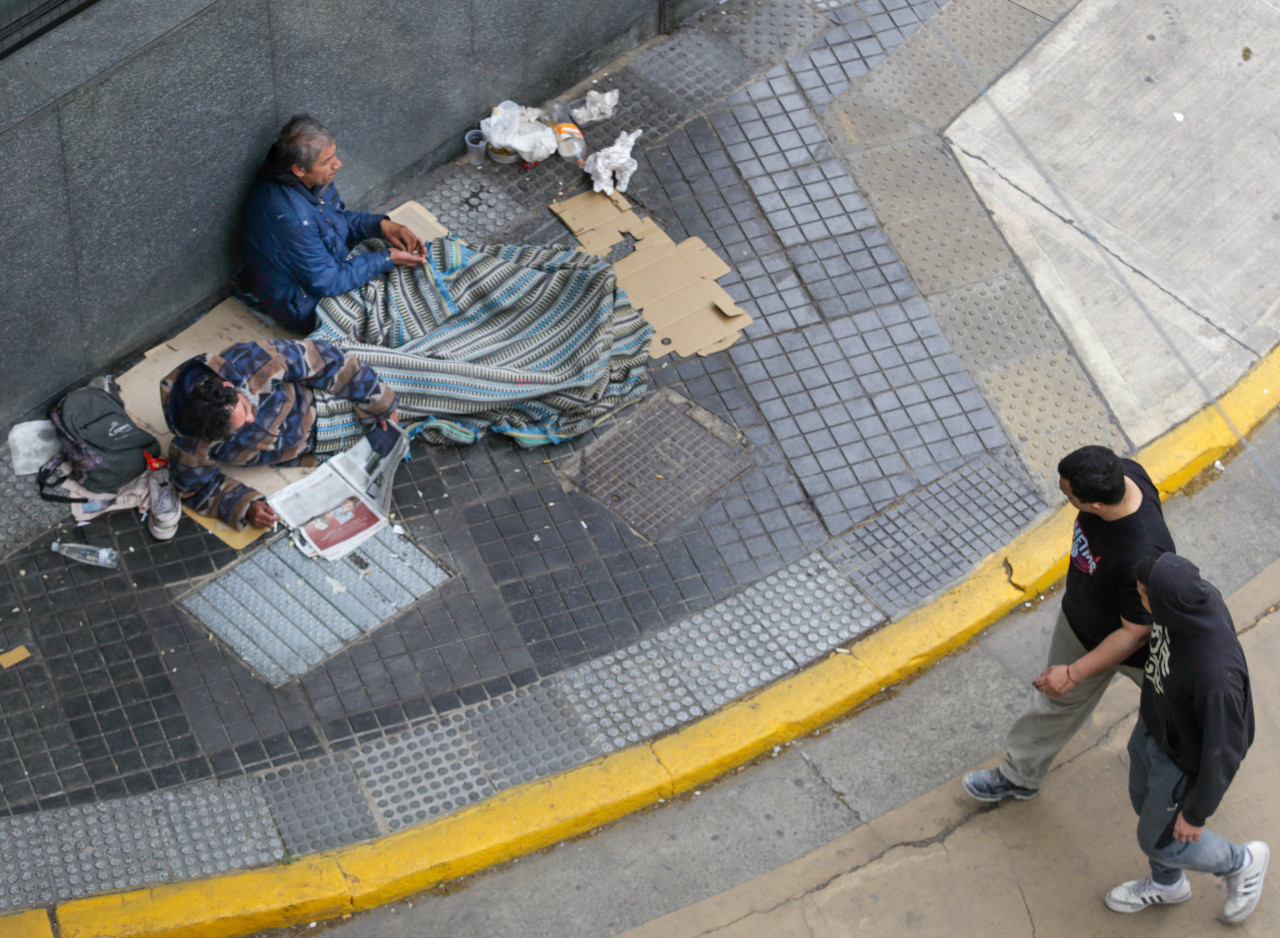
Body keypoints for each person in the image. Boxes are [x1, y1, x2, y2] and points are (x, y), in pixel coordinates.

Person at [963, 445, 1175, 802]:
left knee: (1181, 715)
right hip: (1081, 622)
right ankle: (1019, 776)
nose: (1065, 498)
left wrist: (1075, 672)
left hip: (1146, 652)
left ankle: (1200, 771)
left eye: (1069, 495)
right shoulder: (1122, 473)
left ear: (1095, 505)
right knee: (1052, 704)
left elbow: (1136, 633)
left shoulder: (1142, 552)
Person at [1104, 551, 1266, 923]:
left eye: (1144, 594)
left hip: (1181, 760)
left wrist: (1194, 813)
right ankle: (1168, 882)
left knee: (1160, 839)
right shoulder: (1186, 603)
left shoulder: (1216, 676)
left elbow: (1225, 750)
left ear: (1161, 599)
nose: (1140, 599)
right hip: (1157, 727)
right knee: (1143, 803)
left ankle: (1241, 862)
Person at [160, 339, 396, 529]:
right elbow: (197, 486)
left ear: (229, 387)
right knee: (381, 447)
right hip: (315, 446)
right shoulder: (191, 441)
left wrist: (377, 399)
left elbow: (326, 359)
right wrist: (244, 506)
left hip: (323, 396)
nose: (251, 420)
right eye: (238, 427)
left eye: (245, 410)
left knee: (403, 401)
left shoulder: (255, 361)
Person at [242, 114, 426, 332]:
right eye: (327, 161)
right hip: (302, 303)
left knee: (419, 273)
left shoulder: (311, 180)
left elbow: (334, 221)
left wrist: (380, 226)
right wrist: (387, 258)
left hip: (325, 266)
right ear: (298, 169)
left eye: (334, 155)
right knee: (401, 317)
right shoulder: (291, 218)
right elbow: (327, 282)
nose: (338, 164)